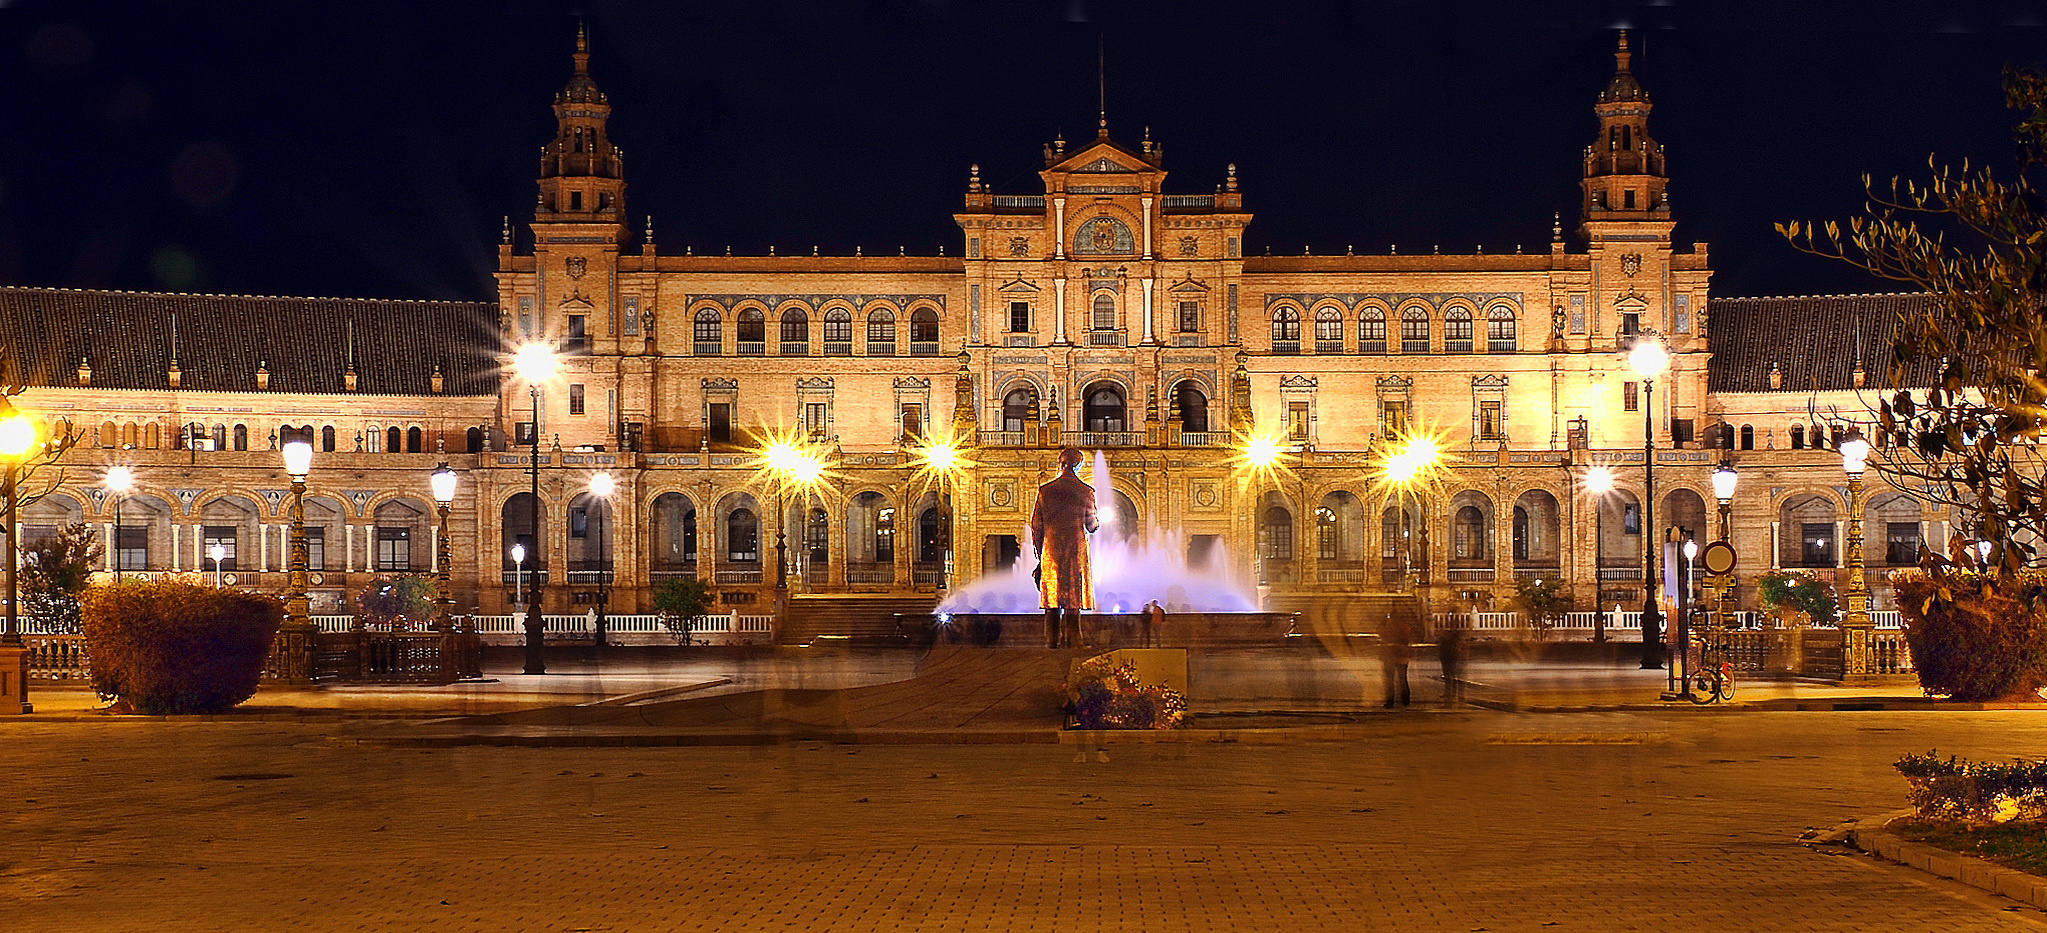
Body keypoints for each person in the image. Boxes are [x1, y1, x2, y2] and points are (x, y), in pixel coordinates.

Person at [1031, 447, 1099, 649]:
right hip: (1075, 548)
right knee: (1073, 596)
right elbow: (1091, 526)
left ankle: (1051, 640)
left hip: (1051, 548)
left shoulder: (1045, 491)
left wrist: (1039, 554)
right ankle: (1074, 638)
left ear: (1060, 464)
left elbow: (1036, 526)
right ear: (1078, 466)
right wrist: (1096, 521)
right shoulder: (1086, 491)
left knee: (1052, 596)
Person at [1380, 608, 1414, 708]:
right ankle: (1405, 700)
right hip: (1402, 654)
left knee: (1389, 679)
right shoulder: (1405, 626)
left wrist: (1383, 622)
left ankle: (1390, 701)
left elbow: (1380, 632)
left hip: (1390, 654)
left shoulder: (1389, 626)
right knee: (1402, 678)